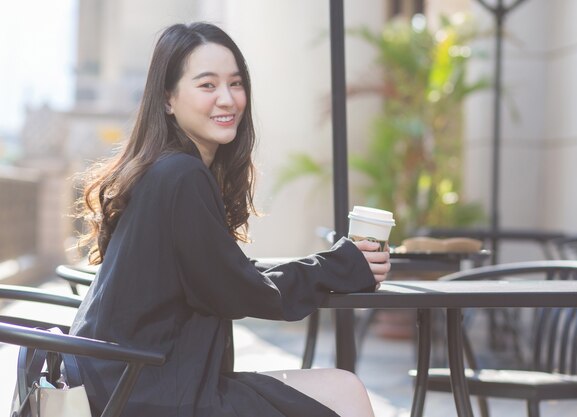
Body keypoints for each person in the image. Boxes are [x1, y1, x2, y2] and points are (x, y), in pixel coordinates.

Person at [70, 22, 390, 417]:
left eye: (235, 84)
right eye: (207, 85)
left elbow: (221, 274)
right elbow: (234, 290)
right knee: (345, 392)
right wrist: (340, 266)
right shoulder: (181, 176)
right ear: (168, 98)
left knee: (343, 389)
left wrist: (333, 265)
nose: (227, 99)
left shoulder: (160, 170)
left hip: (127, 384)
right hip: (151, 394)